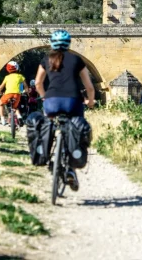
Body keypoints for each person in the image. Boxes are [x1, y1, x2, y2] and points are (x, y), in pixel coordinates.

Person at [35, 29, 95, 191]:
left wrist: (44, 97)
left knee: (49, 123)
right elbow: (89, 87)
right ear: (68, 43)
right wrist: (90, 102)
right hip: (73, 101)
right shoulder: (76, 60)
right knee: (76, 127)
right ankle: (71, 169)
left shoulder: (46, 60)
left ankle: (47, 151)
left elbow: (38, 84)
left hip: (52, 102)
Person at [0, 61, 29, 126]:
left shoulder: (7, 77)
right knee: (15, 107)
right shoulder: (20, 76)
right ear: (17, 68)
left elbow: (1, 86)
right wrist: (26, 92)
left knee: (0, 104)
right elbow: (25, 86)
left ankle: (3, 120)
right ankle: (19, 117)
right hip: (17, 94)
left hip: (8, 94)